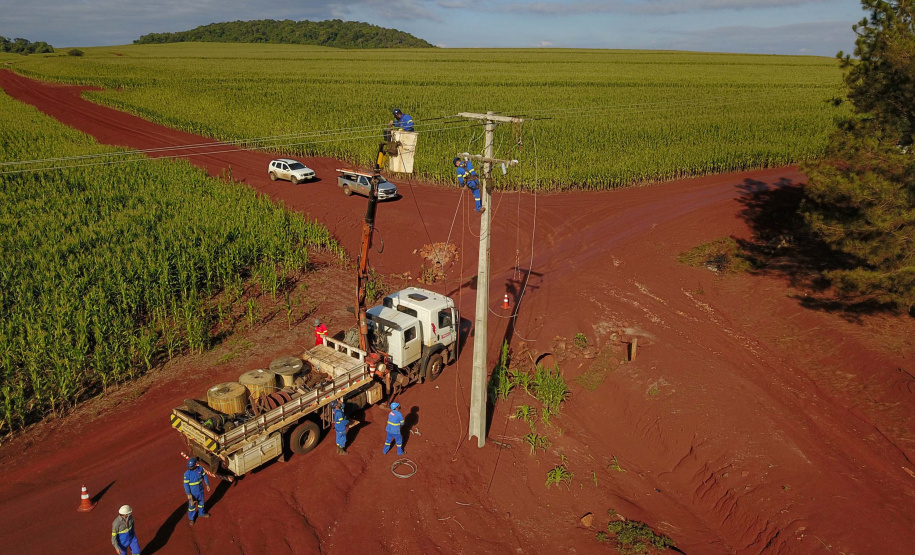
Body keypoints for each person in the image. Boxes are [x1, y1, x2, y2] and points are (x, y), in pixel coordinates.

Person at [183, 458, 211, 526]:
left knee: (201, 503)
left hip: (200, 491)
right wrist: (188, 494)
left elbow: (204, 476)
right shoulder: (187, 474)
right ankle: (191, 519)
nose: (190, 468)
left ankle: (201, 513)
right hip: (193, 493)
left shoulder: (200, 469)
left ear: (195, 465)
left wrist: (207, 484)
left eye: (191, 466)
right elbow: (186, 485)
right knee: (191, 506)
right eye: (189, 467)